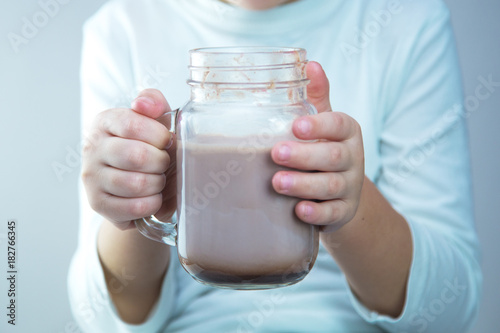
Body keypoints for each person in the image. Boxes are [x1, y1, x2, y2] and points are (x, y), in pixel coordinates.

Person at [68, 0, 482, 332]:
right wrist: (140, 198)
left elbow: (452, 308)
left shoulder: (408, 19)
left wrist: (344, 204)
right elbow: (102, 320)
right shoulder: (121, 28)